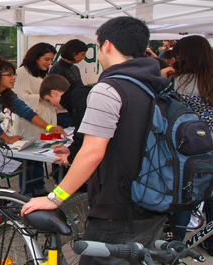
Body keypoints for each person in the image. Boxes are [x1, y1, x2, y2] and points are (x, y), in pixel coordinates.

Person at [21, 16, 171, 265]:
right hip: (155, 197)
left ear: (107, 46)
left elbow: (92, 152)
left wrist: (53, 197)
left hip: (117, 206)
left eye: (98, 46)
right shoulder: (157, 83)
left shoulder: (109, 88)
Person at [161, 35, 213, 253]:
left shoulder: (176, 83)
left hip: (184, 149)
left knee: (184, 194)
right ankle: (210, 243)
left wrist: (162, 74)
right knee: (210, 196)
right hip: (211, 147)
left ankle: (175, 245)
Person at [0, 54, 65, 145]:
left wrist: (50, 128)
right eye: (9, 75)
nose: (14, 78)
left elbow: (26, 111)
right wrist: (7, 139)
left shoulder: (7, 93)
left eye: (14, 74)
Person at [13, 42, 58, 197]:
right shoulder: (22, 72)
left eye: (51, 59)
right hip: (29, 122)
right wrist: (42, 97)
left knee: (39, 156)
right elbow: (19, 98)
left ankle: (39, 188)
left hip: (43, 122)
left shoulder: (41, 73)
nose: (49, 63)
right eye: (47, 59)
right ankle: (28, 192)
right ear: (36, 56)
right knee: (29, 159)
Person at [39, 74, 91, 167]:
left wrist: (71, 157)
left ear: (54, 93)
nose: (52, 105)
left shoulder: (78, 97)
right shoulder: (77, 94)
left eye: (49, 100)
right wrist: (70, 149)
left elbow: (83, 130)